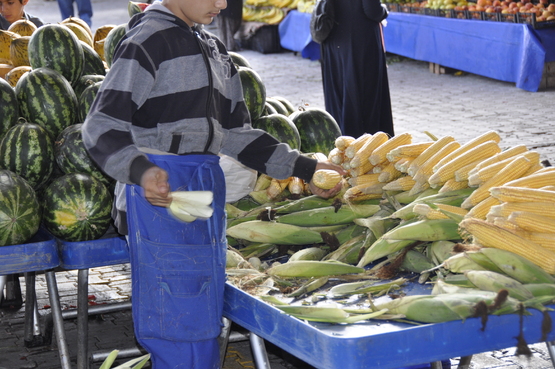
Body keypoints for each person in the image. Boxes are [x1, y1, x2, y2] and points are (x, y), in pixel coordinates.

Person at [81, 0, 345, 367]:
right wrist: (141, 171)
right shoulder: (147, 42)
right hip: (158, 202)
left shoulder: (214, 50)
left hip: (203, 193)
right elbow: (100, 125)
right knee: (175, 317)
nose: (222, 4)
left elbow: (237, 136)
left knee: (202, 311)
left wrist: (304, 167)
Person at [320, 0, 394, 139]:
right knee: (364, 95)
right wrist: (383, 11)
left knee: (340, 94)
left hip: (333, 37)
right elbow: (373, 11)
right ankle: (365, 147)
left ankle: (341, 145)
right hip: (360, 41)